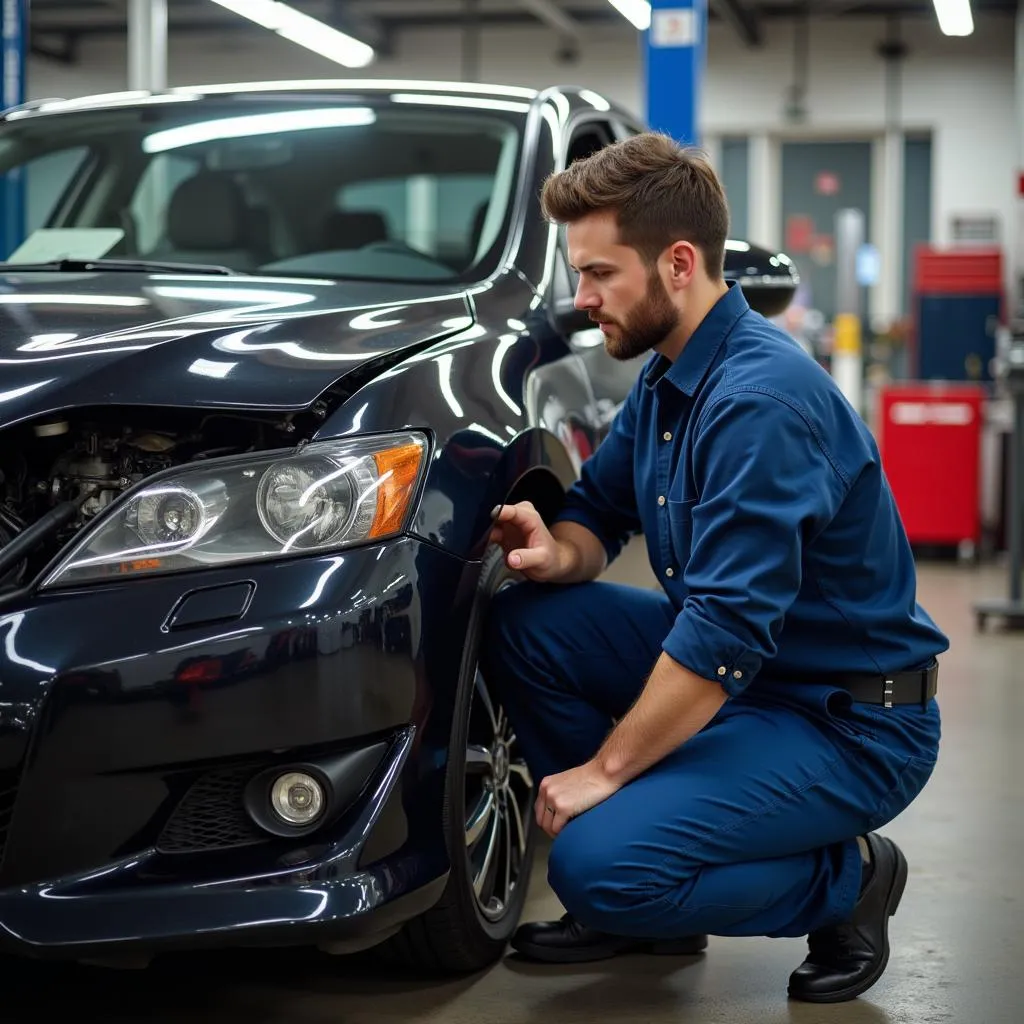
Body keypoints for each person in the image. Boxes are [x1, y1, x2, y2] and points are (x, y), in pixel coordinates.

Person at [481, 132, 947, 1004]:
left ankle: (847, 881)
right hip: (759, 680)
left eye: (601, 274)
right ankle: (655, 882)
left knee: (594, 865)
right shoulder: (667, 377)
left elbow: (725, 631)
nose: (582, 301)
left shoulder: (759, 402)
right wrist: (558, 550)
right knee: (529, 621)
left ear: (679, 263)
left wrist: (604, 773)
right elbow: (601, 511)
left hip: (846, 720)